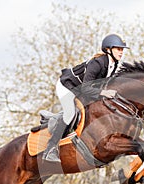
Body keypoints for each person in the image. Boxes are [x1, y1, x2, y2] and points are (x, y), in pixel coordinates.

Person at [42, 33, 129, 162]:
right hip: (67, 86)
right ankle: (50, 148)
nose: (121, 52)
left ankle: (56, 121)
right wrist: (104, 93)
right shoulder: (97, 63)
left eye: (122, 50)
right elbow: (85, 88)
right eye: (118, 49)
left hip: (82, 88)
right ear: (108, 50)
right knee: (70, 114)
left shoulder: (113, 64)